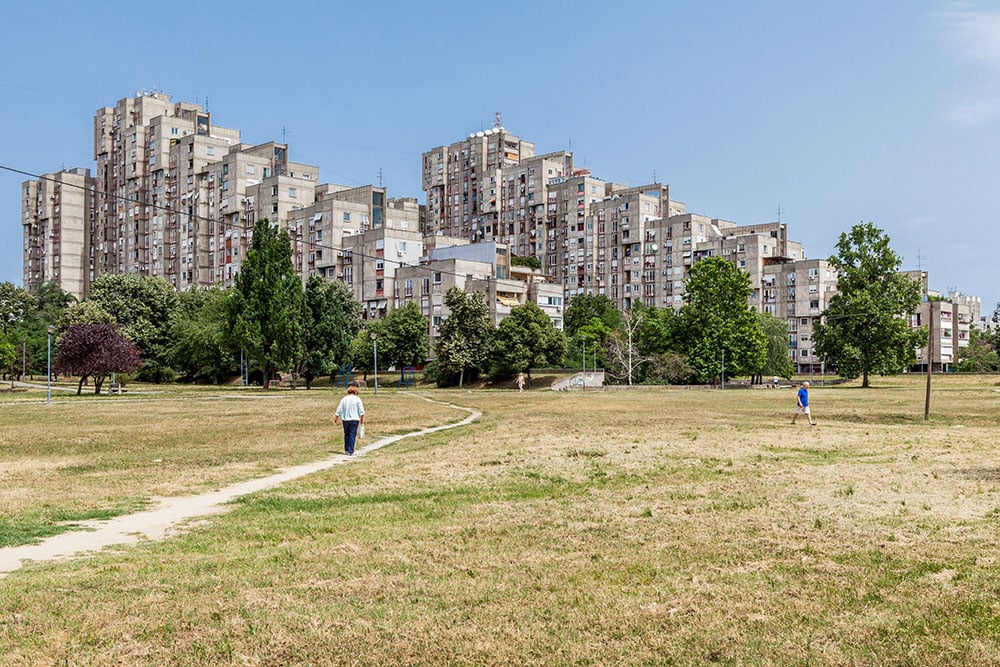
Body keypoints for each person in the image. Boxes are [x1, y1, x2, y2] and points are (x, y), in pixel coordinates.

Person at [334, 383, 366, 455]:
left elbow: (339, 409)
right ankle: (351, 450)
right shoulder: (357, 399)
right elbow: (361, 410)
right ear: (355, 392)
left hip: (345, 419)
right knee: (352, 434)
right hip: (354, 419)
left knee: (346, 434)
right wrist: (362, 418)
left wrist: (336, 417)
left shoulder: (344, 399)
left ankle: (346, 449)